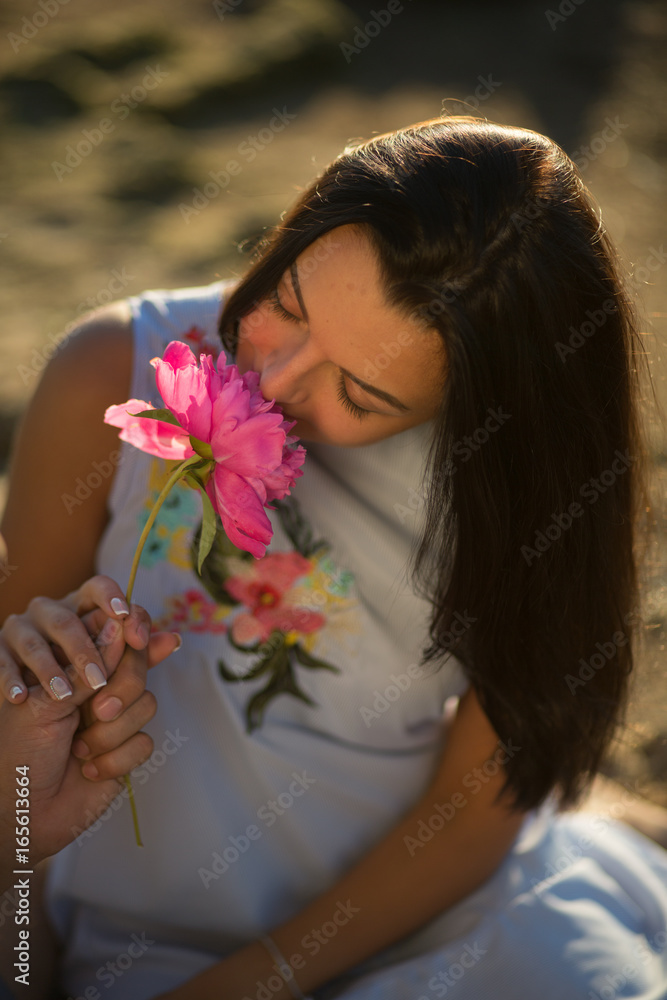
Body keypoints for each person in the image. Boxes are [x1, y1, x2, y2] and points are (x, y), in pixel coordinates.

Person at [1, 115, 667, 999]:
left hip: (430, 923)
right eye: (286, 302)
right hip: (134, 947)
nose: (272, 381)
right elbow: (16, 755)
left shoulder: (511, 487)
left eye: (360, 392)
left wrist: (252, 986)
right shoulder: (112, 370)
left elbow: (476, 804)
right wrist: (22, 957)